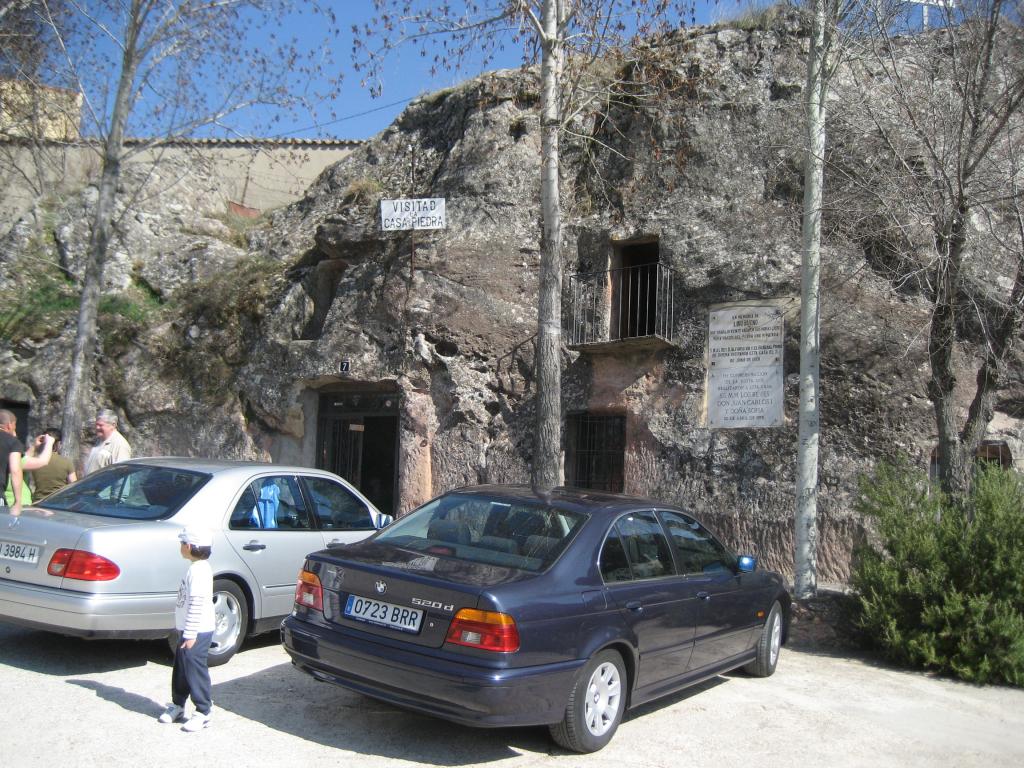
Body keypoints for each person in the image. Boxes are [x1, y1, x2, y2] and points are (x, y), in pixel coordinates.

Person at [159, 526, 215, 732]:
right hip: (188, 630)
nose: (180, 546)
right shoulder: (195, 567)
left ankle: (204, 711)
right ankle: (178, 705)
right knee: (181, 667)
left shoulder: (199, 571)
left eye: (182, 543)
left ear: (190, 546)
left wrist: (190, 634)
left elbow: (197, 603)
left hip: (198, 631)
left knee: (194, 668)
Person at [30, 428, 77, 500]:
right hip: (59, 502)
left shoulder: (34, 461)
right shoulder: (66, 462)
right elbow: (74, 487)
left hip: (38, 501)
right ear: (59, 444)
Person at [84, 409, 131, 475]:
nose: (97, 428)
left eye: (100, 425)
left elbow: (121, 473)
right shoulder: (99, 440)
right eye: (96, 424)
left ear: (113, 425)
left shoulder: (120, 445)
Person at [0, 410, 24, 516]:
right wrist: (18, 502)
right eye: (15, 425)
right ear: (9, 425)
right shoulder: (12, 442)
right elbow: (15, 470)